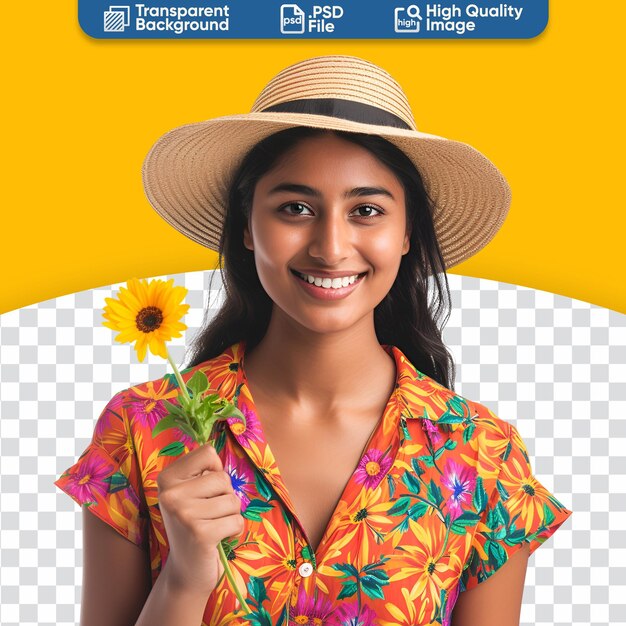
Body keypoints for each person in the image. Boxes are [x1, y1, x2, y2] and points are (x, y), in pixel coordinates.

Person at [54, 55, 572, 626]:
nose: (330, 246)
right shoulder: (143, 427)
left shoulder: (482, 453)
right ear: (247, 229)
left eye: (366, 211)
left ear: (407, 237)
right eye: (295, 208)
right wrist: (185, 577)